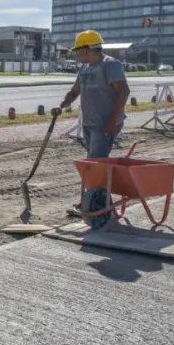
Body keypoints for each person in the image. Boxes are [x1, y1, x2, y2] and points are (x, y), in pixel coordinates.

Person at [52, 30, 130, 218]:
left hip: (104, 124)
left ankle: (92, 202)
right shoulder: (85, 68)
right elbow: (75, 91)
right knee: (94, 162)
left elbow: (124, 91)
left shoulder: (110, 65)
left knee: (94, 162)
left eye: (78, 50)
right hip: (89, 123)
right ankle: (100, 200)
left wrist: (112, 120)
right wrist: (63, 105)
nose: (76, 55)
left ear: (87, 49)